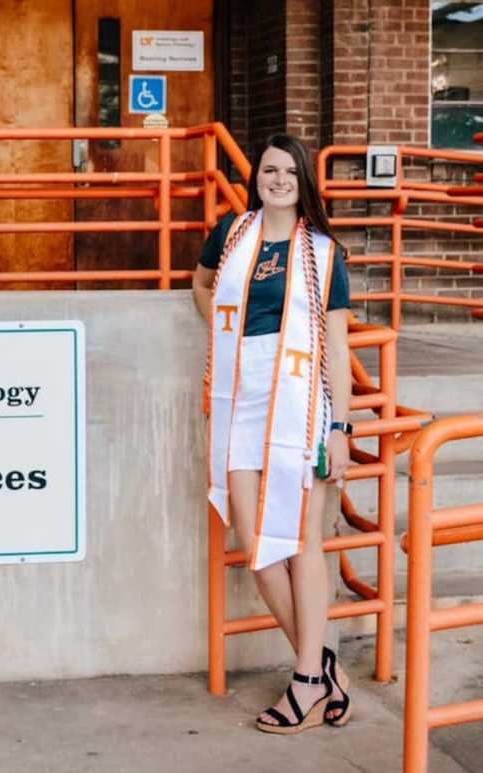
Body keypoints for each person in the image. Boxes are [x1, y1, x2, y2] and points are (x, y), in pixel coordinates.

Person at [192, 134, 354, 734]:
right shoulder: (231, 234)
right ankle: (323, 667)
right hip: (240, 396)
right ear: (255, 176)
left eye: (289, 171)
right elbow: (201, 285)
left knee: (302, 541)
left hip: (300, 401)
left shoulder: (323, 251)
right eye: (269, 169)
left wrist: (339, 426)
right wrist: (225, 333)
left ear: (303, 180)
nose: (278, 179)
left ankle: (308, 680)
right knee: (257, 545)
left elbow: (337, 344)